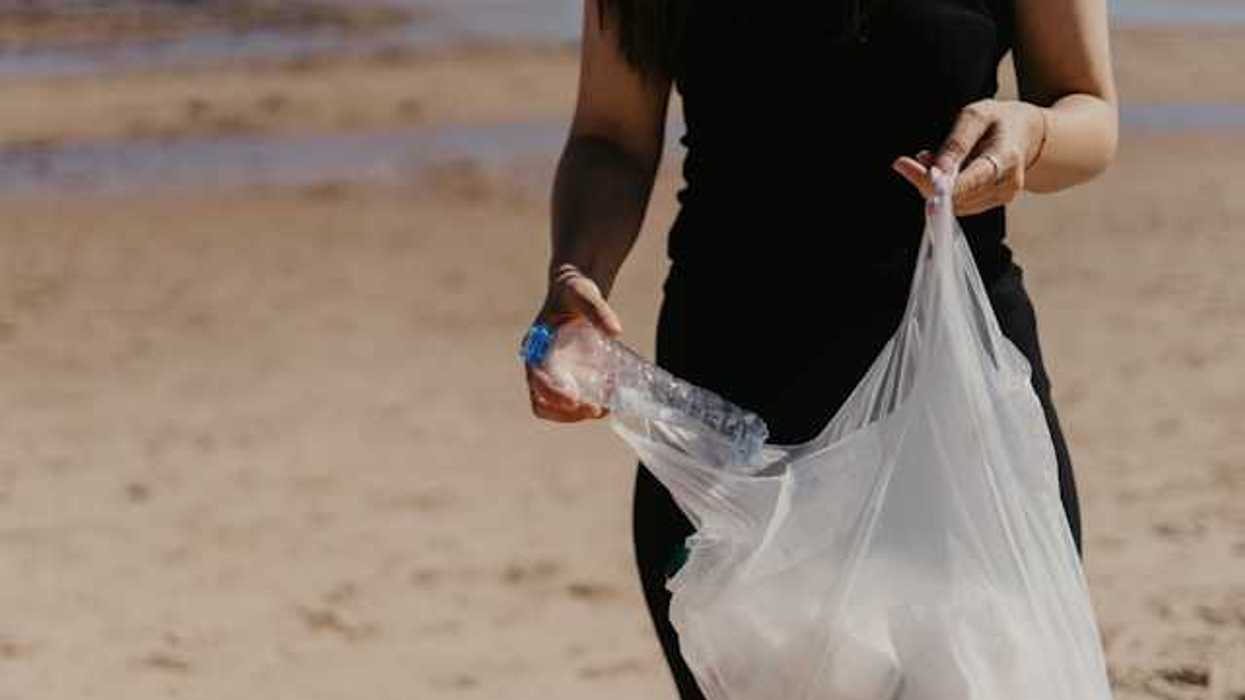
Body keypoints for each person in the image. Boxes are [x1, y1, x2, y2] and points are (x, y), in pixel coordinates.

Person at [523, 1, 1117, 697]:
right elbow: (611, 134)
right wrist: (576, 271)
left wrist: (1032, 131)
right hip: (728, 412)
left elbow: (1089, 114)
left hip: (956, 400)